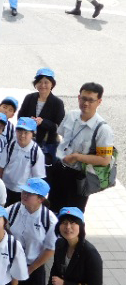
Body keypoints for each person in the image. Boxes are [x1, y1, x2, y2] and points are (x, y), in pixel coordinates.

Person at [6, 178, 57, 285]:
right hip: (11, 262)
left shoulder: (49, 220)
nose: (24, 195)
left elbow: (50, 249)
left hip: (32, 265)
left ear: (41, 199)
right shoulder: (13, 209)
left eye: (30, 194)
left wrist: (31, 268)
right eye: (24, 191)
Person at [49, 83, 112, 213]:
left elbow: (105, 160)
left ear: (99, 102)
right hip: (59, 169)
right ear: (78, 97)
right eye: (83, 98)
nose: (86, 103)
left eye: (91, 100)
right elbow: (61, 135)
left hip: (78, 178)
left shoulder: (103, 129)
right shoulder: (71, 115)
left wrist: (78, 157)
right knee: (53, 209)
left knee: (73, 217)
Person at [18, 68, 66, 163]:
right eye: (40, 82)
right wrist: (28, 121)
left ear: (52, 84)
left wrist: (43, 122)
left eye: (46, 82)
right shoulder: (29, 98)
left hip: (47, 144)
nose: (43, 85)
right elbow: (20, 117)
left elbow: (60, 127)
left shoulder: (58, 103)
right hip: (27, 140)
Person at [0, 117, 46, 205]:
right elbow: (1, 167)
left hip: (23, 193)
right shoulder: (10, 146)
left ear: (32, 134)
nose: (22, 135)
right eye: (19, 131)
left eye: (26, 132)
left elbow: (38, 178)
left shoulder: (36, 152)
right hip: (5, 187)